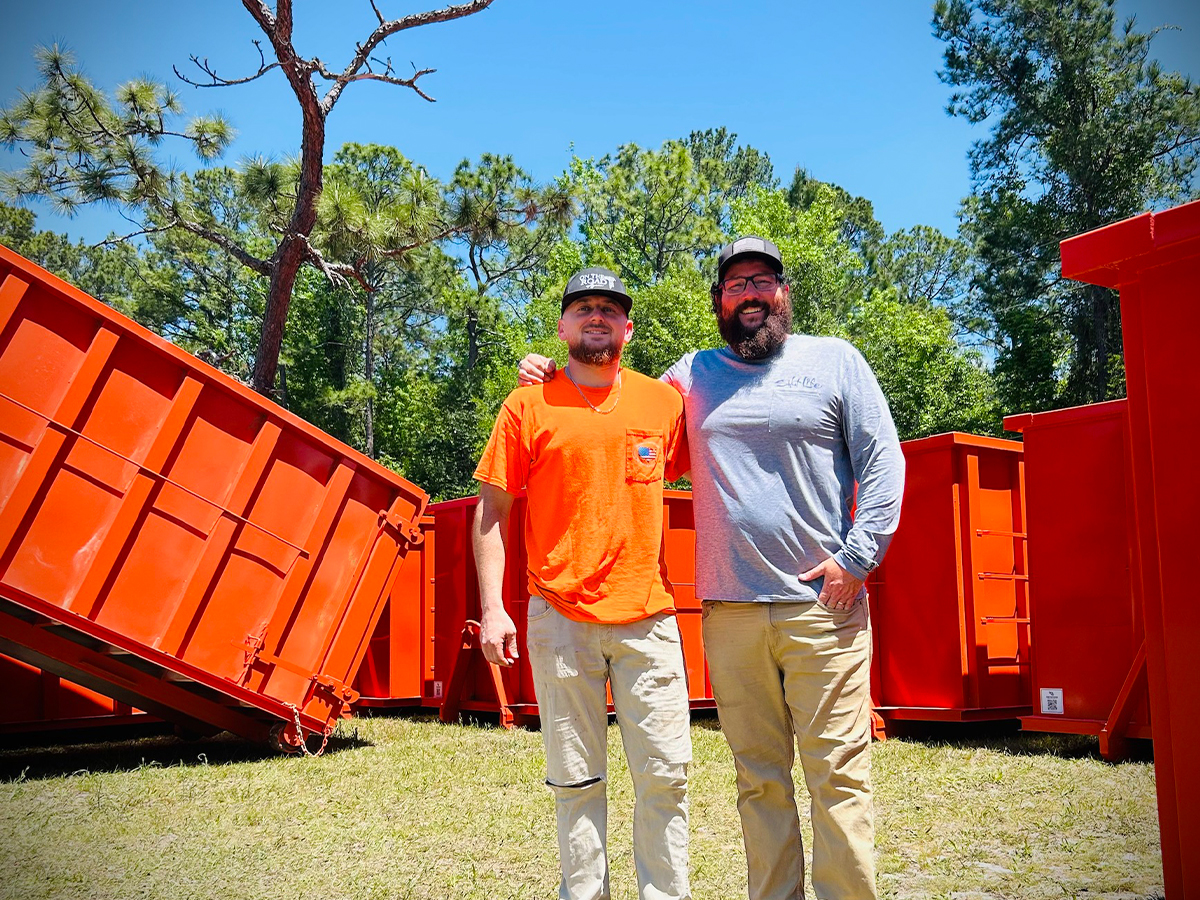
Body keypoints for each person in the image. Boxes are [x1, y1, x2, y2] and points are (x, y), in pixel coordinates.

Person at [519, 237, 905, 900]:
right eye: (735, 285)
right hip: (729, 615)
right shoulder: (692, 375)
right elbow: (613, 402)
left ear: (784, 292)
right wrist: (550, 375)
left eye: (762, 281)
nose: (750, 294)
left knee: (838, 777)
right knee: (759, 780)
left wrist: (857, 558)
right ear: (720, 301)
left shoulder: (835, 360)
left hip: (823, 609)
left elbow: (882, 461)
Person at [473, 265, 693, 900]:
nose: (597, 316)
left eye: (610, 308)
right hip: (559, 616)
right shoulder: (526, 404)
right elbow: (492, 510)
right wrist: (494, 608)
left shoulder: (663, 403)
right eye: (583, 307)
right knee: (575, 780)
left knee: (666, 776)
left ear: (628, 327)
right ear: (563, 325)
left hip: (649, 618)